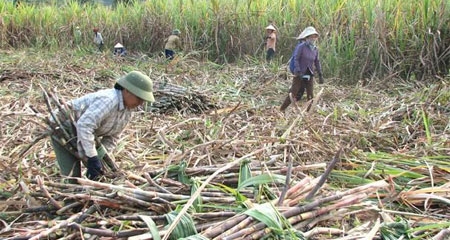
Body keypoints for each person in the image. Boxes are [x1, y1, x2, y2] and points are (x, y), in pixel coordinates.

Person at [50, 71, 155, 182]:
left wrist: (100, 158)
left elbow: (113, 137)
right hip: (64, 128)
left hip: (84, 132)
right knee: (72, 176)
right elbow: (85, 125)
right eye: (139, 98)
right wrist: (92, 156)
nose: (141, 102)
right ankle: (69, 194)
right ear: (127, 90)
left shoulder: (128, 111)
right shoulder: (108, 100)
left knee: (97, 170)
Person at [280, 26, 324, 112]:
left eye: (314, 36)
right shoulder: (301, 47)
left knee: (310, 94)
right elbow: (296, 58)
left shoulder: (315, 49)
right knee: (293, 93)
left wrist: (320, 74)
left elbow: (317, 61)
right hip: (299, 73)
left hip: (309, 73)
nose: (313, 38)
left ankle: (308, 112)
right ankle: (282, 109)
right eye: (311, 36)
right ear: (307, 38)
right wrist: (298, 71)